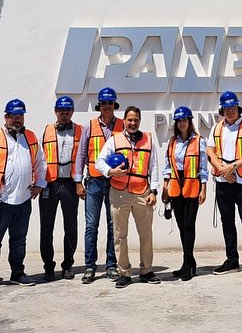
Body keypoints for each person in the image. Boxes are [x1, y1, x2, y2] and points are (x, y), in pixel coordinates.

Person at [0, 98, 46, 290]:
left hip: (23, 199)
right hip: (0, 199)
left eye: (20, 116)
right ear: (6, 117)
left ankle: (17, 273)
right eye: (13, 116)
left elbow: (41, 162)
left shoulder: (30, 137)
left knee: (19, 239)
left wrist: (40, 183)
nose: (17, 119)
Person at [95, 106, 161, 288]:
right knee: (120, 235)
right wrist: (110, 171)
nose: (133, 123)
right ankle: (124, 272)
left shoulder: (148, 139)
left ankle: (146, 270)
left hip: (142, 193)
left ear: (139, 121)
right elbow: (98, 162)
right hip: (119, 194)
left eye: (136, 120)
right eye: (129, 119)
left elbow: (154, 167)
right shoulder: (114, 140)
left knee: (146, 235)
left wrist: (154, 191)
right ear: (124, 120)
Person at [207, 91, 242, 279]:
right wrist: (222, 170)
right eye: (226, 108)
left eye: (233, 107)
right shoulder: (216, 128)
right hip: (223, 182)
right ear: (222, 110)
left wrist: (232, 167)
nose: (230, 111)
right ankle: (232, 259)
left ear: (238, 108)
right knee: (227, 222)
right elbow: (210, 152)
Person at [74, 87, 123, 284]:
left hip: (115, 182)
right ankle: (90, 266)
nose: (107, 106)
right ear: (99, 105)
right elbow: (82, 155)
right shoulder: (90, 126)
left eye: (110, 103)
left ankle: (111, 264)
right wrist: (78, 181)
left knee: (113, 225)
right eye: (104, 103)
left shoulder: (122, 125)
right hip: (94, 181)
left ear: (114, 105)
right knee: (91, 225)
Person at [161, 106, 208, 281]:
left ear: (190, 121)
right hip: (175, 187)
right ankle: (188, 261)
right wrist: (165, 188)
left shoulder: (199, 141)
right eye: (179, 120)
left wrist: (203, 188)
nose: (182, 123)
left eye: (184, 120)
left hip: (192, 186)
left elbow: (203, 167)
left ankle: (187, 264)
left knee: (189, 225)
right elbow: (168, 166)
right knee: (181, 226)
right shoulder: (172, 142)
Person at [39, 95, 82, 281]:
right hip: (50, 184)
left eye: (67, 111)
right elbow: (39, 158)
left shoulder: (81, 131)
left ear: (72, 112)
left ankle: (68, 265)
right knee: (46, 227)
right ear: (55, 112)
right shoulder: (47, 130)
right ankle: (48, 266)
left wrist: (81, 182)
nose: (64, 114)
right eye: (61, 111)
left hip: (71, 184)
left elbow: (84, 158)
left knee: (71, 227)